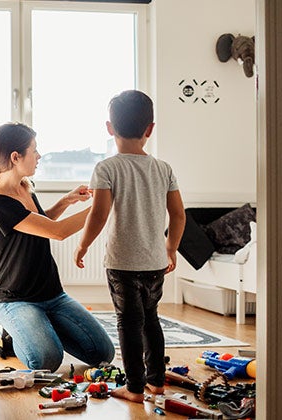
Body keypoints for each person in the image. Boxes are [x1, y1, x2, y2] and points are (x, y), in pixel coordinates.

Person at [74, 90, 186, 402]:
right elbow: (178, 215)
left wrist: (82, 246)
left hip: (122, 263)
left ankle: (134, 388)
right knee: (151, 319)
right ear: (150, 129)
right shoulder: (163, 169)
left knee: (128, 322)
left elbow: (98, 215)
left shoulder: (107, 168)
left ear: (110, 128)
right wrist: (171, 248)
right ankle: (157, 382)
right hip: (154, 263)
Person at [0, 122, 115, 372]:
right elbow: (57, 233)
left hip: (53, 295)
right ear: (16, 157)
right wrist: (103, 206)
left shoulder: (24, 188)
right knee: (46, 361)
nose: (39, 156)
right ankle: (9, 327)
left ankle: (41, 324)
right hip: (16, 300)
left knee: (103, 352)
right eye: (34, 150)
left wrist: (66, 201)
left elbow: (41, 223)